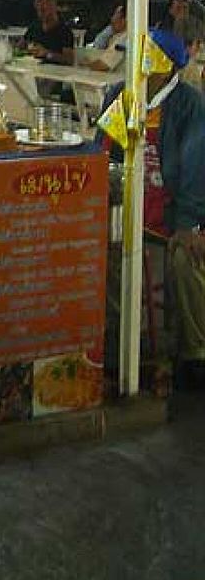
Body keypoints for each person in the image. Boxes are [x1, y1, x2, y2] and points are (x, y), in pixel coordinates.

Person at [121, 29, 205, 383]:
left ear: (167, 65)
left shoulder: (190, 104)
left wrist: (189, 225)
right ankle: (117, 344)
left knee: (186, 259)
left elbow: (195, 170)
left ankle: (195, 353)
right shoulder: (123, 95)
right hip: (132, 210)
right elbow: (106, 150)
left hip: (176, 212)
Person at [22, 0, 75, 66]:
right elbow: (20, 46)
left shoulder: (64, 31)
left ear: (54, 8)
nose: (40, 13)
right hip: (34, 68)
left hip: (55, 71)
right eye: (38, 10)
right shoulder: (34, 26)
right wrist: (28, 50)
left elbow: (68, 60)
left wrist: (47, 54)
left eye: (43, 10)